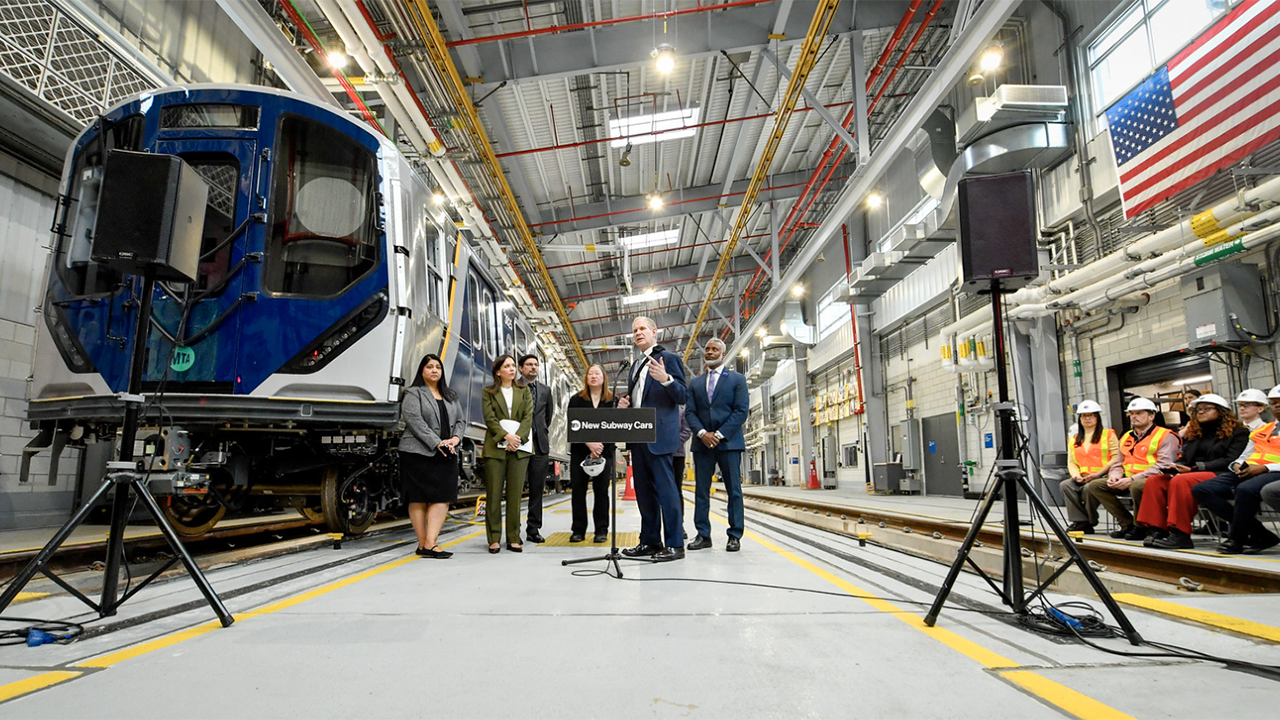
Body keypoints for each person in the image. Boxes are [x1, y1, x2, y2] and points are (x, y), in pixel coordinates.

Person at [616, 316, 688, 562]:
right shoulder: (635, 365)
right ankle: (649, 541)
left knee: (667, 493)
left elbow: (683, 396)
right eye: (634, 330)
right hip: (638, 437)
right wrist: (627, 405)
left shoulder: (668, 359)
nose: (638, 333)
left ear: (654, 331)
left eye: (642, 328)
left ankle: (675, 544)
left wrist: (665, 379)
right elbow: (641, 401)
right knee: (644, 493)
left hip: (659, 436)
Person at [1139, 393, 1247, 550]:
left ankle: (1180, 534)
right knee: (1155, 481)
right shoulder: (1195, 433)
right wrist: (1176, 466)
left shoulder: (1238, 433)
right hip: (1193, 472)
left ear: (1222, 411)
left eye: (1206, 409)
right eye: (1198, 410)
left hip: (1221, 474)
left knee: (1181, 481)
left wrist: (1196, 467)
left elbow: (1231, 460)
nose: (1200, 412)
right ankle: (1158, 529)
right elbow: (1186, 456)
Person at [1192, 384, 1280, 554]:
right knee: (1202, 489)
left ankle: (1236, 538)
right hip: (1250, 469)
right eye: (1274, 402)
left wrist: (1265, 468)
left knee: (1245, 489)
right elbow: (1245, 454)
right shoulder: (1264, 430)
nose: (1277, 406)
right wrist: (1237, 465)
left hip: (1273, 471)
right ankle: (1258, 532)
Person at [399, 354, 465, 559]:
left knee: (443, 497)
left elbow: (461, 421)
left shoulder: (451, 395)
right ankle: (424, 544)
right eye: (429, 367)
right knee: (417, 498)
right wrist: (436, 441)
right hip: (417, 452)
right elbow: (413, 420)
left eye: (438, 367)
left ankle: (430, 542)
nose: (434, 370)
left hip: (447, 452)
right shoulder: (413, 393)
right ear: (422, 370)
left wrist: (455, 439)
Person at [1085, 397, 1180, 540]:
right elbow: (1118, 461)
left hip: (1156, 479)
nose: (1134, 417)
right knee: (1095, 486)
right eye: (1131, 413)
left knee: (1136, 486)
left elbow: (1164, 465)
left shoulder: (1166, 436)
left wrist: (1131, 479)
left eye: (1139, 413)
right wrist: (1114, 476)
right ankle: (1127, 523)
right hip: (1129, 478)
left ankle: (1141, 526)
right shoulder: (1126, 437)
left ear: (1151, 416)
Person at [687, 338, 750, 552]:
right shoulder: (695, 383)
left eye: (715, 349)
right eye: (707, 349)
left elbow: (741, 411)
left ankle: (734, 535)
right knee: (701, 491)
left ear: (723, 354)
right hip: (702, 444)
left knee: (734, 490)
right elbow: (690, 412)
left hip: (729, 443)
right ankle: (703, 535)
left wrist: (720, 434)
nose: (710, 352)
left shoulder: (737, 379)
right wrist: (703, 433)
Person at [481, 354, 533, 554]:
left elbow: (528, 416)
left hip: (519, 449)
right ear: (498, 371)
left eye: (513, 366)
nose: (512, 369)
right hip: (495, 448)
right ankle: (493, 538)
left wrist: (517, 438)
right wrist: (505, 437)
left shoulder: (524, 391)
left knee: (515, 495)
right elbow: (489, 418)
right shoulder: (488, 392)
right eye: (507, 366)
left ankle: (513, 537)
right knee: (493, 494)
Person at [567, 364, 615, 543]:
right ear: (586, 378)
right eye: (590, 373)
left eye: (597, 373)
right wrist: (589, 444)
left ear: (604, 377)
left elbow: (615, 426)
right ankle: (578, 530)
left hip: (605, 452)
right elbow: (573, 424)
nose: (594, 376)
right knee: (578, 491)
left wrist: (599, 447)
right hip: (580, 452)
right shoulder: (576, 399)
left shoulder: (612, 400)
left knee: (601, 491)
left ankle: (601, 530)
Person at [1060, 401, 1119, 534]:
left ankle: (1089, 521)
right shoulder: (1074, 440)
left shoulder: (1108, 435)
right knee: (1066, 485)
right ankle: (1080, 521)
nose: (1087, 419)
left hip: (1103, 476)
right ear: (1079, 419)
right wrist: (1076, 476)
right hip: (1083, 477)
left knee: (1088, 489)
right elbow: (1071, 462)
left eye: (1091, 415)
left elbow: (1116, 457)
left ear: (1097, 418)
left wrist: (1098, 474)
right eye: (1084, 416)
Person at [518, 354, 554, 544]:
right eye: (529, 365)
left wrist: (539, 431)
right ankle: (513, 531)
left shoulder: (546, 390)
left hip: (540, 444)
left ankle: (533, 529)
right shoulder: (513, 387)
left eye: (535, 365)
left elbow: (548, 416)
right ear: (521, 368)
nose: (533, 367)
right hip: (518, 443)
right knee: (515, 490)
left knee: (537, 489)